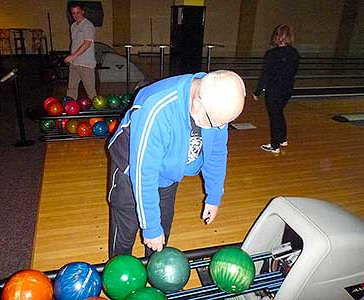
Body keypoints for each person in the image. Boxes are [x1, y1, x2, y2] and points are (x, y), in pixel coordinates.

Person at [107, 70, 246, 257]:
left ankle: (155, 278)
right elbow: (143, 174)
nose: (220, 128)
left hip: (169, 174)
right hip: (131, 172)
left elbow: (216, 153)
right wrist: (150, 228)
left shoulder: (216, 101)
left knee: (161, 233)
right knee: (127, 231)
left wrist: (214, 196)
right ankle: (117, 280)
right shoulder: (156, 109)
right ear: (197, 105)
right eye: (217, 124)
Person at [253, 24, 300, 153]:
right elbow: (293, 71)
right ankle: (283, 139)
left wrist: (258, 92)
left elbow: (265, 75)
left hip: (274, 90)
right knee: (279, 113)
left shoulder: (271, 54)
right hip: (288, 89)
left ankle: (275, 145)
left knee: (274, 116)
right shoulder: (295, 53)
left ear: (277, 37)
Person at [64, 3, 97, 100]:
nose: (75, 15)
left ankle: (98, 112)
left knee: (91, 92)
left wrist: (72, 56)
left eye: (78, 12)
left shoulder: (88, 25)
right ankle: (69, 108)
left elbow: (87, 43)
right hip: (74, 63)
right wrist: (72, 58)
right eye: (73, 13)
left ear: (83, 11)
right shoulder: (73, 26)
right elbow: (75, 43)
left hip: (86, 64)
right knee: (71, 89)